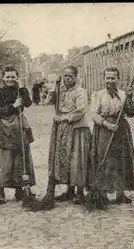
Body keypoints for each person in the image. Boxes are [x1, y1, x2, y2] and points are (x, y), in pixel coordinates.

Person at [0, 65, 36, 204]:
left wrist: (22, 87)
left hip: (18, 126)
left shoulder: (19, 90)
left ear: (17, 78)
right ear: (3, 78)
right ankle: (0, 192)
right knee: (3, 159)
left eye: (13, 77)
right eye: (7, 77)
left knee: (20, 158)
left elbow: (28, 103)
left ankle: (20, 190)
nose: (10, 79)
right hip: (2, 127)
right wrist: (13, 106)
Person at [90, 67, 134, 203]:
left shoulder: (123, 94)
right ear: (104, 79)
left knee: (121, 159)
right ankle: (102, 194)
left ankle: (120, 194)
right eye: (107, 78)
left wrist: (129, 98)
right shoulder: (98, 95)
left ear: (118, 79)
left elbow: (131, 113)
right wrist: (107, 124)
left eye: (113, 78)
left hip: (121, 130)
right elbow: (94, 114)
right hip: (104, 130)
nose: (110, 81)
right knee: (104, 159)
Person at [48, 65, 91, 205]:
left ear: (75, 77)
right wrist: (55, 85)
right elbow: (50, 101)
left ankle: (79, 192)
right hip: (62, 130)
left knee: (78, 159)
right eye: (65, 76)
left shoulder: (81, 92)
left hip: (78, 129)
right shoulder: (60, 90)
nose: (67, 78)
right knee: (65, 158)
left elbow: (81, 110)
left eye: (70, 76)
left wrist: (65, 117)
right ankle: (69, 190)